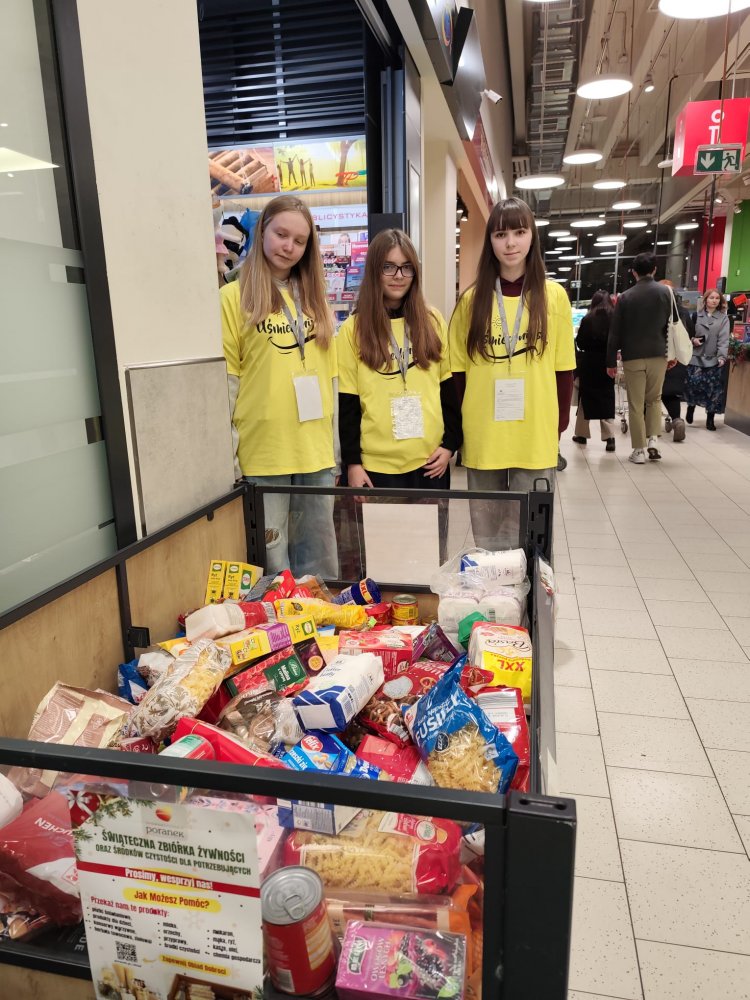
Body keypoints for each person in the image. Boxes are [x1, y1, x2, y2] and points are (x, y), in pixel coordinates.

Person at [221, 194, 339, 577]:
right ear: (262, 231)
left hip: (315, 453)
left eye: (299, 240)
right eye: (281, 234)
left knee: (318, 565)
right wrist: (230, 461)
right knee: (274, 570)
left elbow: (331, 382)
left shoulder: (317, 302)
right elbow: (227, 385)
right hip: (263, 453)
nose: (289, 246)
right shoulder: (233, 298)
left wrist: (334, 452)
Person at [449, 196, 575, 550]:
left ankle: (531, 590)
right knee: (488, 540)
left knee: (533, 541)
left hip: (534, 433)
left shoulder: (553, 297)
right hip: (484, 434)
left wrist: (557, 427)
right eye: (501, 234)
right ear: (490, 241)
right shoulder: (471, 301)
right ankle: (492, 590)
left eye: (519, 232)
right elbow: (457, 374)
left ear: (532, 236)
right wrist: (463, 428)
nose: (510, 243)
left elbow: (564, 369)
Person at [338, 228, 461, 493]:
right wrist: (353, 464)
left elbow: (447, 390)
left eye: (407, 267)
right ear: (374, 271)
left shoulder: (432, 321)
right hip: (376, 468)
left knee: (430, 524)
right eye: (388, 267)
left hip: (430, 462)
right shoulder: (353, 330)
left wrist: (450, 445)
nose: (398, 276)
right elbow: (348, 404)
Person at [606, 252, 673, 464]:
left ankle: (639, 451)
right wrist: (672, 353)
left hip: (633, 355)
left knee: (635, 403)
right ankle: (653, 440)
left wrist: (610, 361)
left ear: (634, 272)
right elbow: (674, 324)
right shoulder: (666, 293)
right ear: (655, 269)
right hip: (659, 353)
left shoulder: (625, 297)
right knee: (654, 399)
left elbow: (615, 332)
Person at [572, 290, 617, 452]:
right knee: (606, 398)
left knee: (586, 398)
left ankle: (582, 434)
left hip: (589, 362)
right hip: (608, 362)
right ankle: (609, 438)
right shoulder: (615, 318)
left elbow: (580, 342)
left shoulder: (587, 319)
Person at [685, 288, 730, 431]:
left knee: (713, 390)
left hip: (713, 359)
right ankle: (691, 407)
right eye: (711, 298)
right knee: (693, 385)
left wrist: (722, 356)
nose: (714, 300)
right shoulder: (695, 316)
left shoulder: (723, 318)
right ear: (705, 300)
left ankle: (710, 418)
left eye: (717, 298)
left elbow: (724, 339)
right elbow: (687, 334)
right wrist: (693, 340)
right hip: (695, 357)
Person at [659, 280, 693, 443]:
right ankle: (677, 420)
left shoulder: (656, 311)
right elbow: (690, 334)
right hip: (677, 359)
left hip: (659, 357)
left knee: (650, 393)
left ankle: (646, 424)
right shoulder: (683, 312)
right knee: (671, 393)